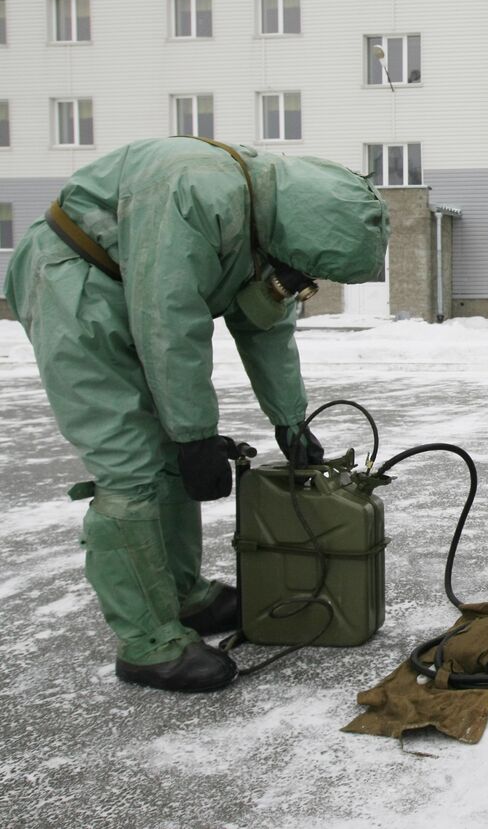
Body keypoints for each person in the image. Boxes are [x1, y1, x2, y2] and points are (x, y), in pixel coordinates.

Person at [3, 137, 389, 692]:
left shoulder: (267, 221)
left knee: (170, 457)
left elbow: (266, 322)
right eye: (302, 272)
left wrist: (291, 420)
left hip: (129, 290)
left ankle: (182, 596)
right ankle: (147, 641)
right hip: (74, 286)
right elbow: (169, 321)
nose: (297, 282)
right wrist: (195, 435)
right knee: (130, 466)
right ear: (302, 234)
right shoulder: (195, 191)